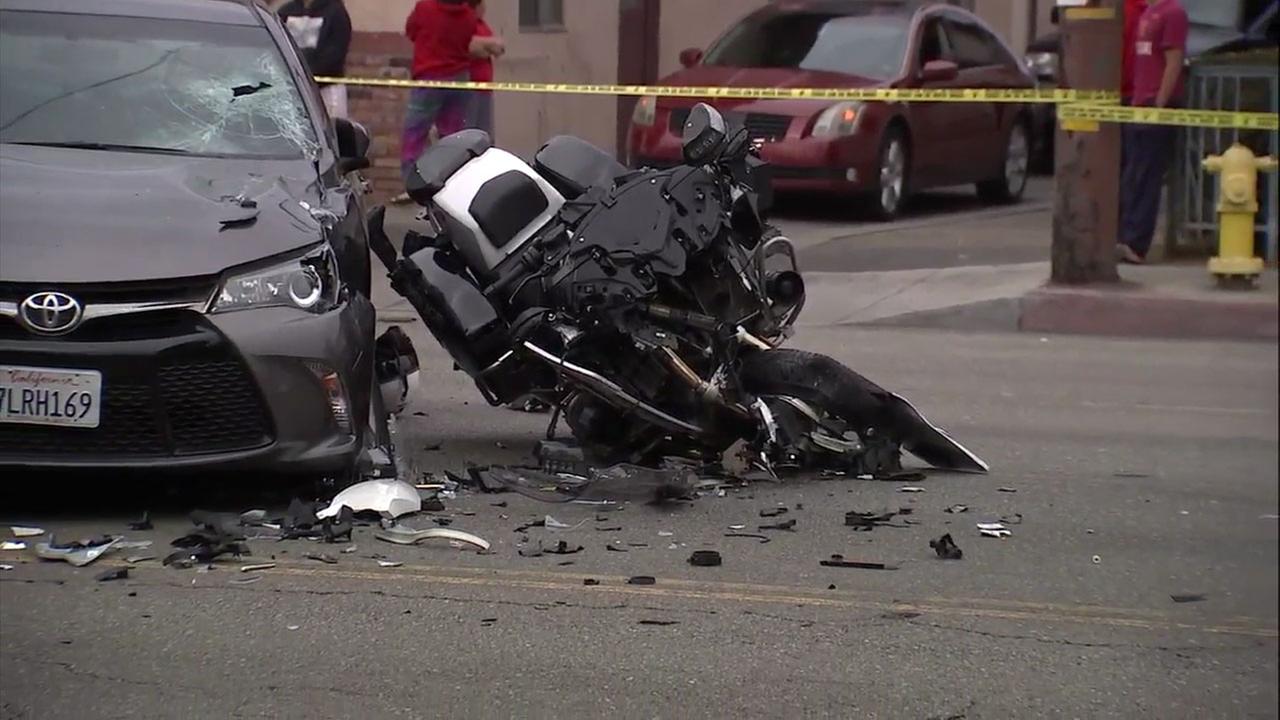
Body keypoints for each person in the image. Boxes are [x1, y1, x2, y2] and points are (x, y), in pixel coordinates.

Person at [401, 0, 504, 182]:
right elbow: (467, 45)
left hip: (429, 77)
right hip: (458, 79)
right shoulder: (468, 16)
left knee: (415, 131)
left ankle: (412, 179)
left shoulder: (425, 7)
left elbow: (411, 31)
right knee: (453, 136)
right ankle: (452, 179)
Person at [1118, 0, 1188, 264]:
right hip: (1138, 101)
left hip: (1155, 102)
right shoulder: (1148, 12)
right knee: (1132, 174)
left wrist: (1160, 102)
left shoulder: (1173, 13)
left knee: (1147, 174)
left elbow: (1174, 60)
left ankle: (1137, 243)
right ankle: (1125, 236)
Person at [278, 0, 352, 118]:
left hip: (326, 88)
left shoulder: (336, 12)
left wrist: (306, 75)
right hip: (292, 87)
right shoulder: (287, 11)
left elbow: (335, 53)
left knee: (333, 128)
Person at [466, 0, 504, 139]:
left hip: (485, 88)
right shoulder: (466, 22)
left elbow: (499, 48)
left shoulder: (482, 25)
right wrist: (488, 46)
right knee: (469, 133)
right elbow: (468, 46)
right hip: (470, 87)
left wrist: (485, 47)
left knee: (485, 135)